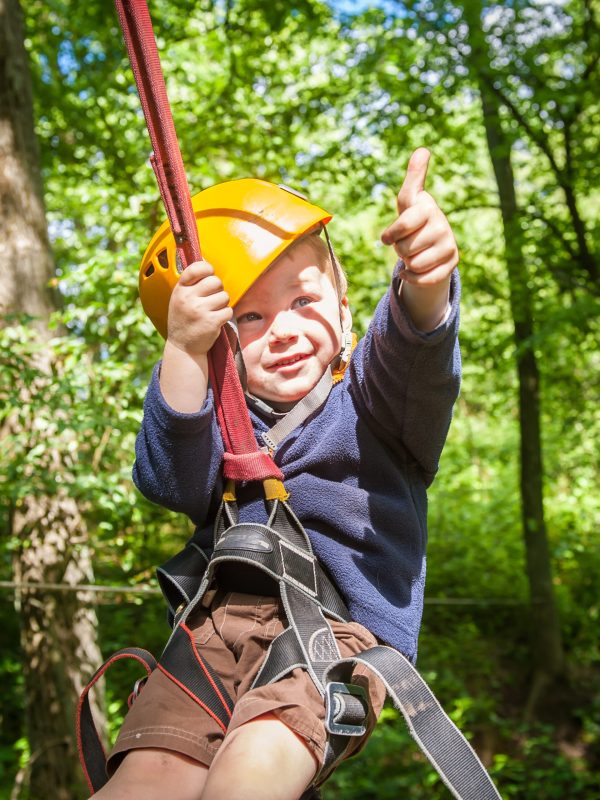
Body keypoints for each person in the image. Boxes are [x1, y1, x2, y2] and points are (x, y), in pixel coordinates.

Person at [95, 147, 460, 800]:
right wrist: (182, 351)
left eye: (302, 300)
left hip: (338, 631)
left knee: (254, 769)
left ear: (345, 312)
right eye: (249, 317)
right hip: (216, 625)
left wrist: (425, 280)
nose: (283, 331)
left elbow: (412, 355)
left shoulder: (372, 408)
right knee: (145, 781)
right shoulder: (224, 424)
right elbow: (169, 477)